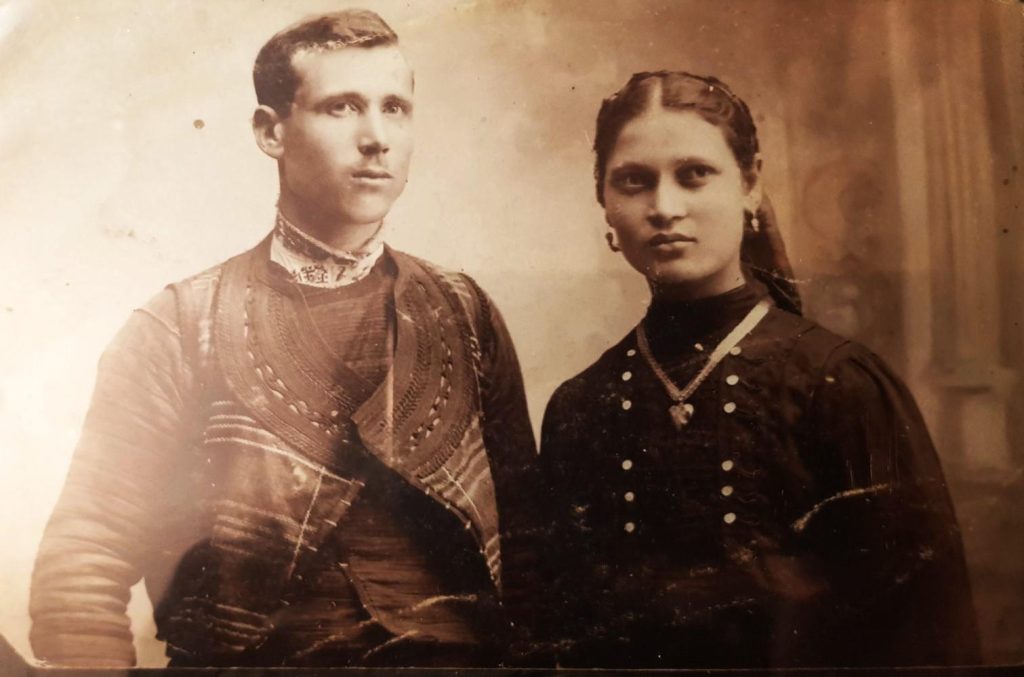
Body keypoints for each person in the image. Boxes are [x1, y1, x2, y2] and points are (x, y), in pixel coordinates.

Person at [29, 10, 537, 668]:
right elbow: (83, 562)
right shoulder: (181, 326)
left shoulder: (463, 312)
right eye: (342, 107)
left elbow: (535, 553)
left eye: (395, 108)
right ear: (271, 131)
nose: (377, 138)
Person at [536, 71, 980, 668]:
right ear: (605, 202)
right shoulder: (579, 407)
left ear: (749, 185)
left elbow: (923, 634)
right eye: (634, 181)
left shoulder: (840, 384)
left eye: (694, 174)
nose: (664, 208)